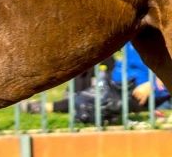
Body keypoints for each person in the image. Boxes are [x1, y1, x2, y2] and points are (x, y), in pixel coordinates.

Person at [23, 42, 169, 122]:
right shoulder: (137, 32)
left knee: (97, 101)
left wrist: (152, 84)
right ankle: (66, 100)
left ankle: (50, 107)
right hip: (117, 81)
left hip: (141, 92)